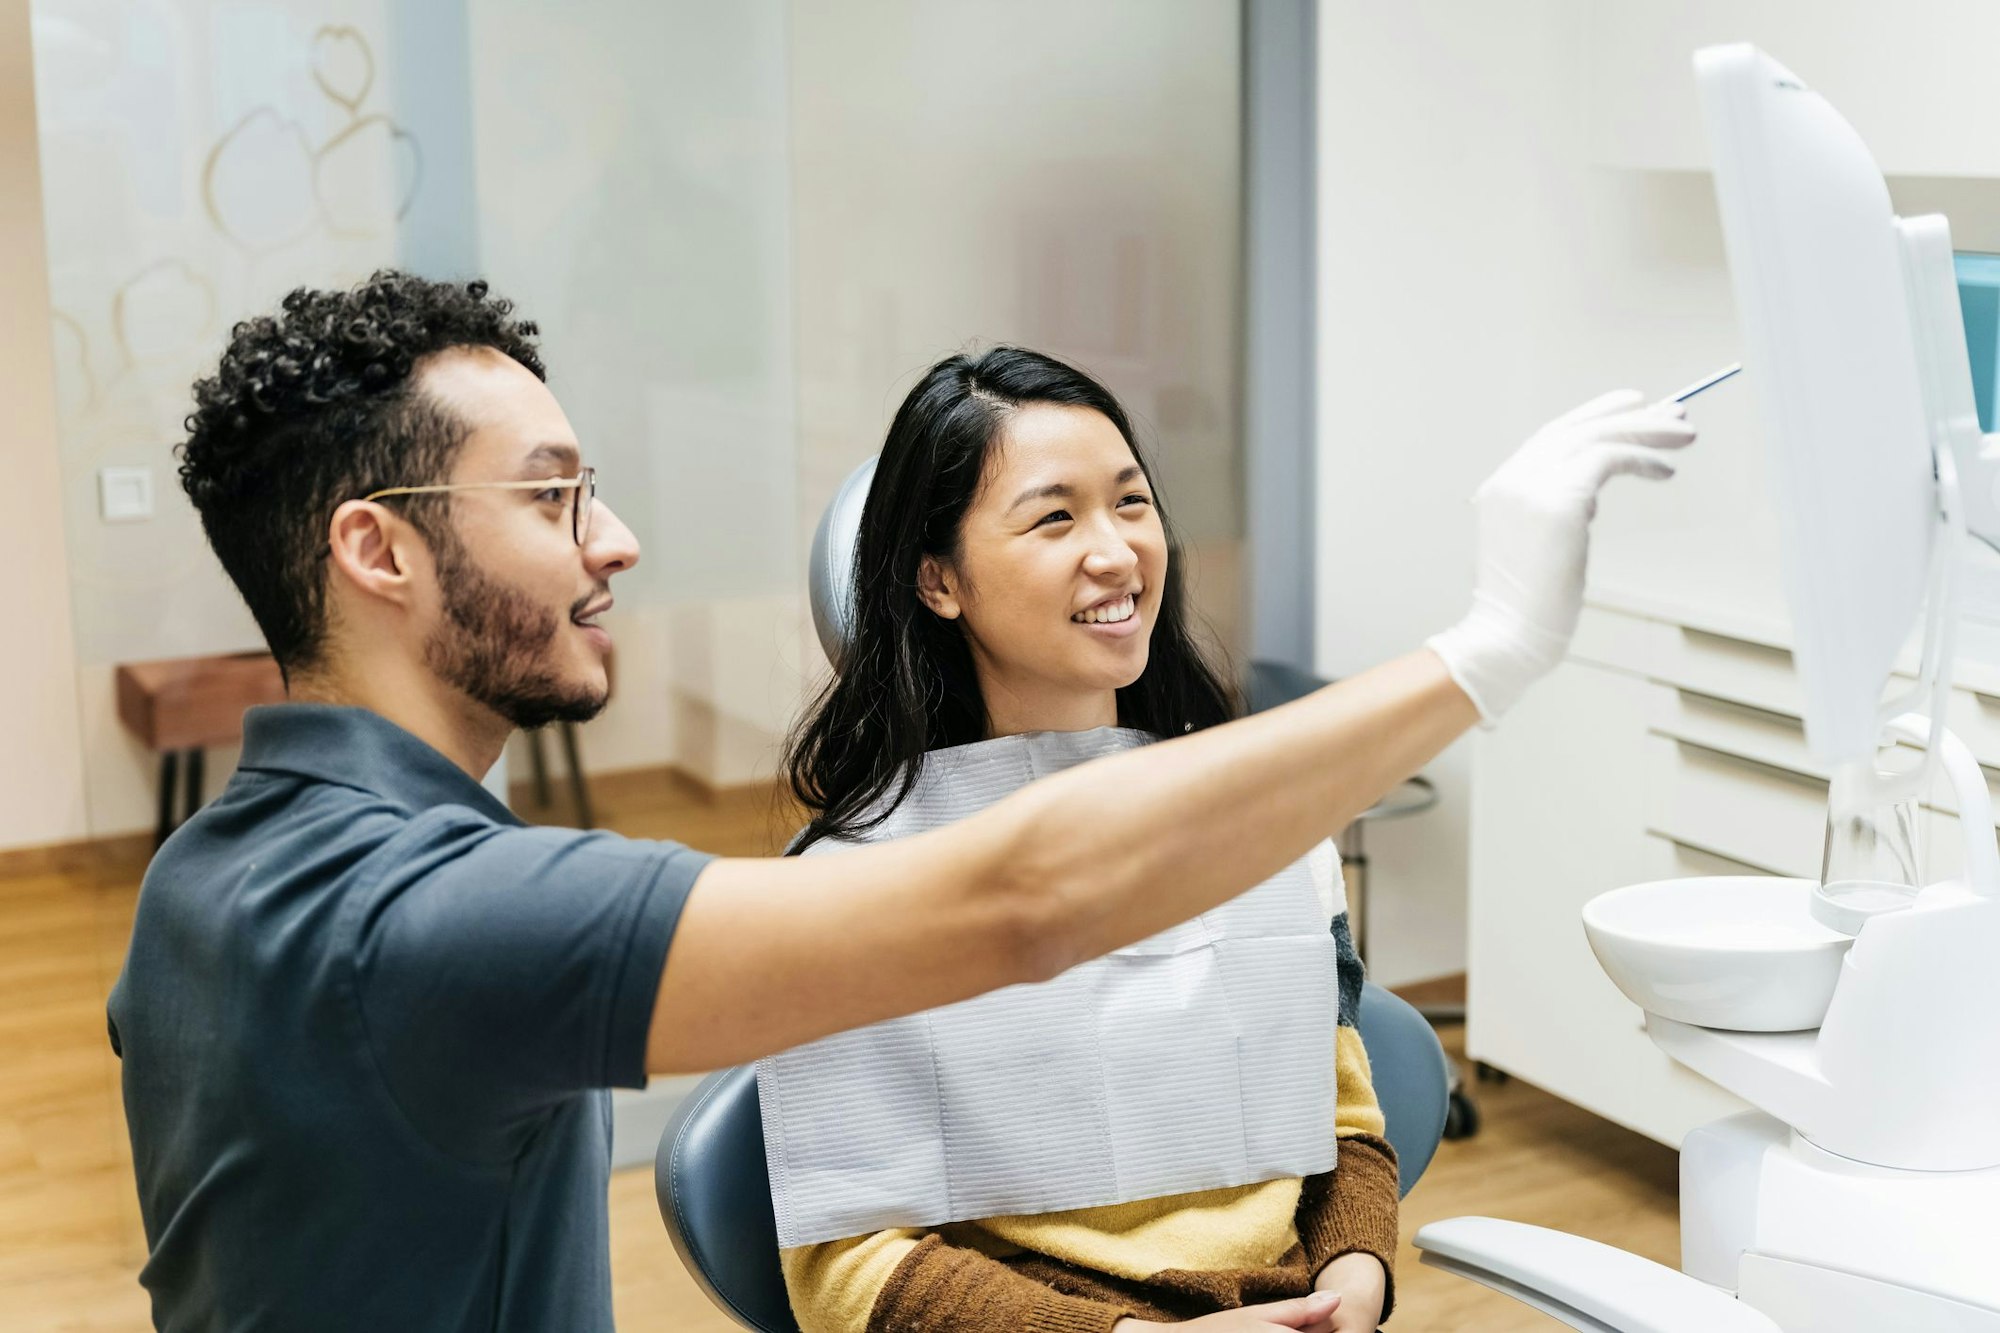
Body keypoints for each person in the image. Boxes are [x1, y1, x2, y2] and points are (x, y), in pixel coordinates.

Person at [108, 270, 1691, 1332]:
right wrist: (1489, 649)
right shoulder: (438, 921)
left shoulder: (203, 881)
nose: (618, 541)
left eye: (1130, 503)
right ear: (377, 551)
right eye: (554, 495)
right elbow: (1026, 902)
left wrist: (1347, 1256)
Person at [775, 347, 1396, 1333]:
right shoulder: (852, 888)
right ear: (938, 579)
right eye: (1054, 516)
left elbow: (1343, 1126)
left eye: (1131, 503)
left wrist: (1355, 1277)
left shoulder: (1255, 825)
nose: (1114, 552)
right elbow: (844, 1271)